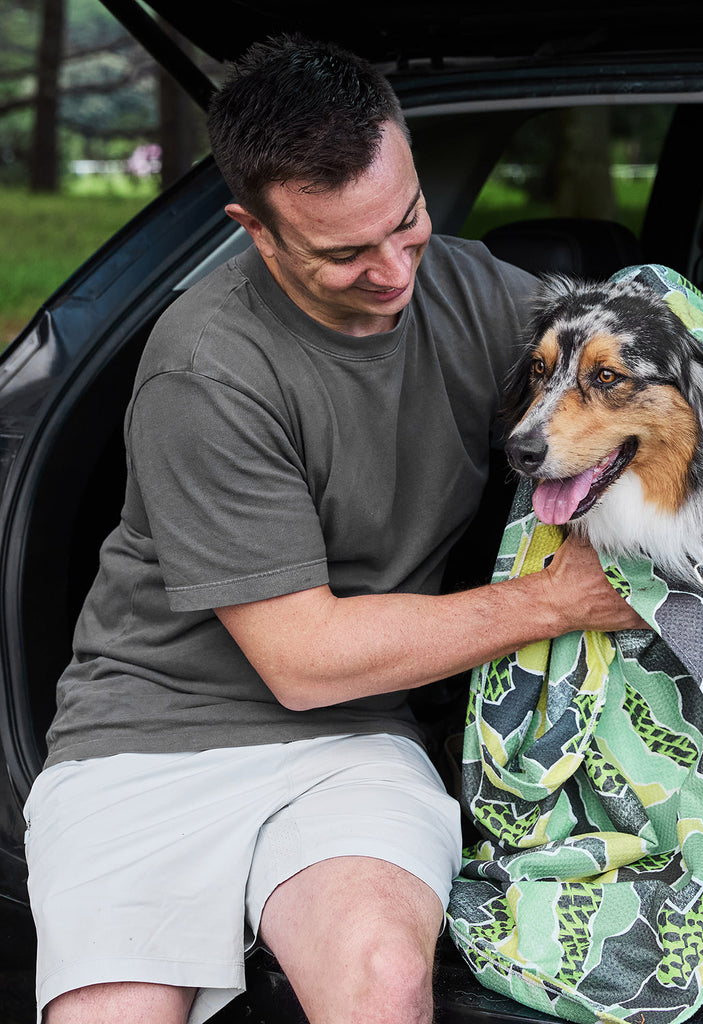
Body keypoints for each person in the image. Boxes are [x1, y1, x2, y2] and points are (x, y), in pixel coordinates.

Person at [24, 34, 645, 1024]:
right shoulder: (207, 368)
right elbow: (303, 658)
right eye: (346, 252)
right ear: (256, 231)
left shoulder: (472, 291)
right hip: (147, 737)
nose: (395, 269)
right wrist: (551, 599)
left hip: (352, 738)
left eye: (405, 223)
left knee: (379, 980)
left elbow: (643, 374)